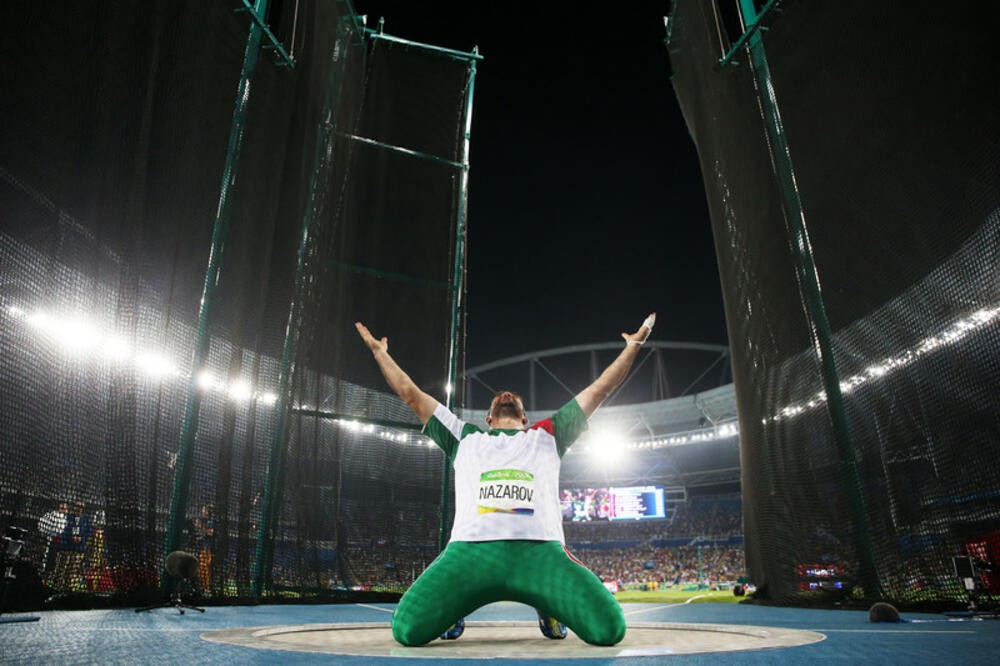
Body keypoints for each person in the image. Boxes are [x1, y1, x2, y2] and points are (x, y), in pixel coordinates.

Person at [355, 313, 655, 647]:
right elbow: (411, 395)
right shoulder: (463, 436)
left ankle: (548, 603)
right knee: (407, 631)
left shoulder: (547, 435)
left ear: (525, 418)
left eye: (512, 397)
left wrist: (634, 346)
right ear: (488, 418)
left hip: (540, 553)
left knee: (609, 630)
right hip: (470, 554)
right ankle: (455, 606)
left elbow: (599, 390)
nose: (506, 393)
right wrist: (380, 353)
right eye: (499, 396)